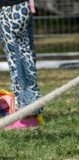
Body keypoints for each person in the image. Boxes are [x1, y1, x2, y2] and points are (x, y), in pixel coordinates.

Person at [0, 0, 43, 129]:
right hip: (18, 7)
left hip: (12, 8)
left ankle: (28, 116)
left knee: (19, 61)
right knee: (23, 56)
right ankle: (29, 111)